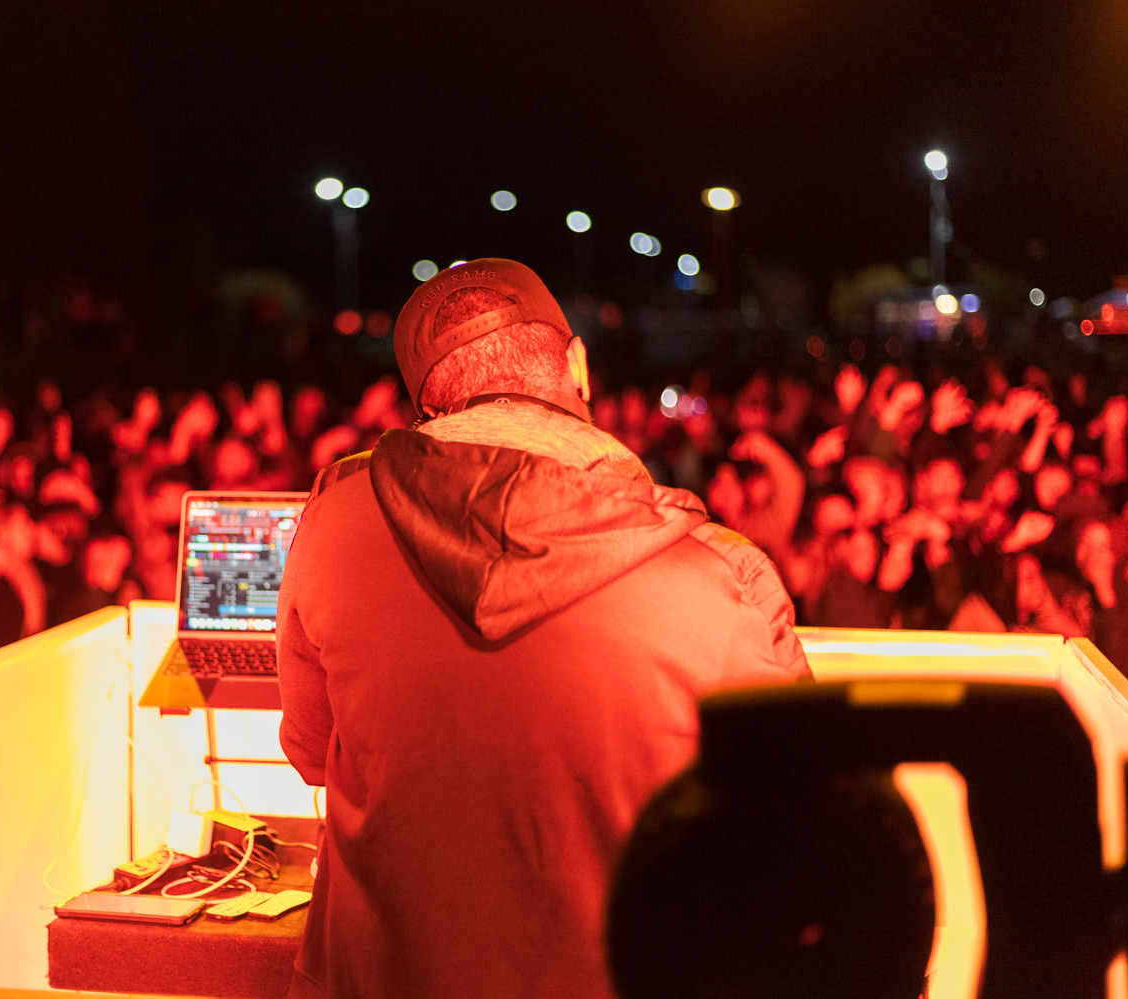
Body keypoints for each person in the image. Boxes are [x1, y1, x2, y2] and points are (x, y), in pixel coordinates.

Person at [275, 259, 809, 999]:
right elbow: (789, 819)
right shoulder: (720, 574)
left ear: (429, 404)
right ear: (578, 365)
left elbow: (308, 747)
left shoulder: (331, 522)